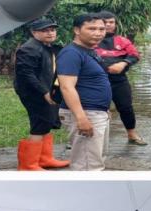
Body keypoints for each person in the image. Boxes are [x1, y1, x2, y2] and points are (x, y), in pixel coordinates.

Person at [14, 18, 71, 170]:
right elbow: (26, 74)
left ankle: (45, 159)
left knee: (47, 122)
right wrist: (44, 92)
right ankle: (28, 165)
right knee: (39, 124)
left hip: (45, 90)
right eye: (45, 30)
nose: (50, 33)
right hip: (34, 93)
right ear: (34, 32)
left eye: (52, 30)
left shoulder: (47, 47)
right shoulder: (29, 48)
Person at [57, 13, 112, 171]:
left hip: (96, 112)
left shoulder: (90, 51)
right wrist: (81, 118)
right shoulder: (71, 53)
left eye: (102, 29)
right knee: (87, 165)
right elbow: (67, 87)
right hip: (85, 113)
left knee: (97, 159)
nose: (98, 33)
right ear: (77, 30)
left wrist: (105, 109)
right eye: (92, 28)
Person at [95, 12, 146, 145]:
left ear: (115, 24)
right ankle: (86, 137)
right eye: (105, 22)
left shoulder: (122, 40)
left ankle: (132, 134)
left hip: (118, 80)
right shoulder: (92, 40)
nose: (108, 25)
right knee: (94, 109)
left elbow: (134, 55)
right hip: (95, 82)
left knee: (126, 107)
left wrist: (123, 63)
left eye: (111, 22)